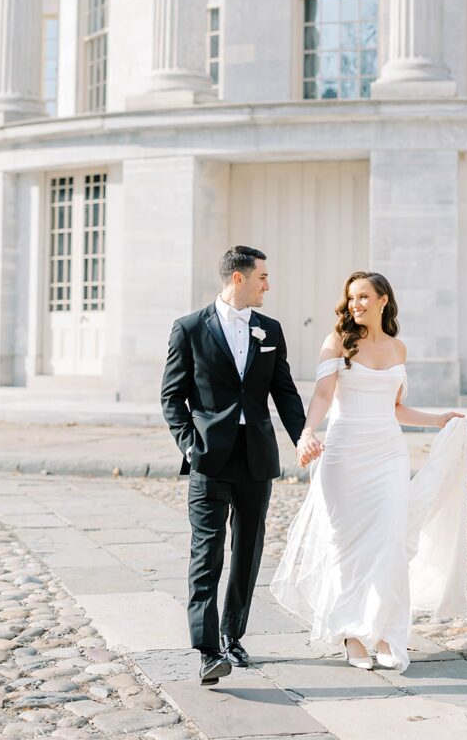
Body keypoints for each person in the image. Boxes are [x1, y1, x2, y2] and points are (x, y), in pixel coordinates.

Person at [270, 270, 467, 671]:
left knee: (388, 545)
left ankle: (385, 632)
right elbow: (322, 395)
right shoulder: (337, 341)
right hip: (343, 455)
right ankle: (351, 633)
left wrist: (437, 420)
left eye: (363, 296)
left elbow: (394, 407)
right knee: (346, 547)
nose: (355, 304)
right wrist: (307, 433)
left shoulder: (398, 348)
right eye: (351, 298)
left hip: (388, 456)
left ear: (383, 300)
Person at [160, 246, 306, 685]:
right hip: (210, 456)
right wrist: (190, 446)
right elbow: (172, 397)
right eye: (263, 277)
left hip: (257, 455)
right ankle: (207, 651)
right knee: (206, 552)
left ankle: (233, 635)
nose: (268, 285)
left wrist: (304, 438)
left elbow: (285, 392)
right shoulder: (189, 328)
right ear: (239, 278)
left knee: (248, 550)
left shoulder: (270, 329)